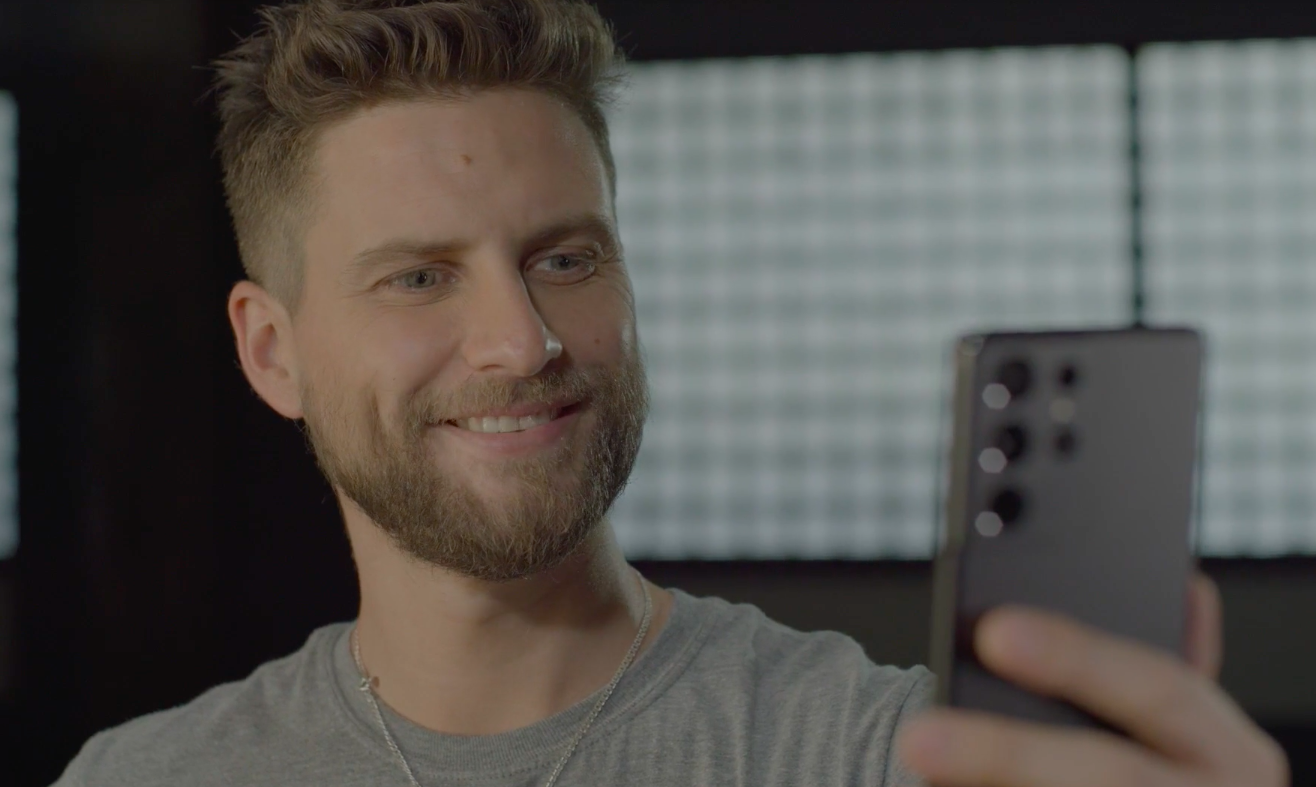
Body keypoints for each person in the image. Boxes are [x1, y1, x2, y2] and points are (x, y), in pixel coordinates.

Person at [54, 1, 1288, 785]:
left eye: (563, 259)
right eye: (418, 277)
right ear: (272, 352)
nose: (520, 341)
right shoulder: (144, 776)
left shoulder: (875, 754)